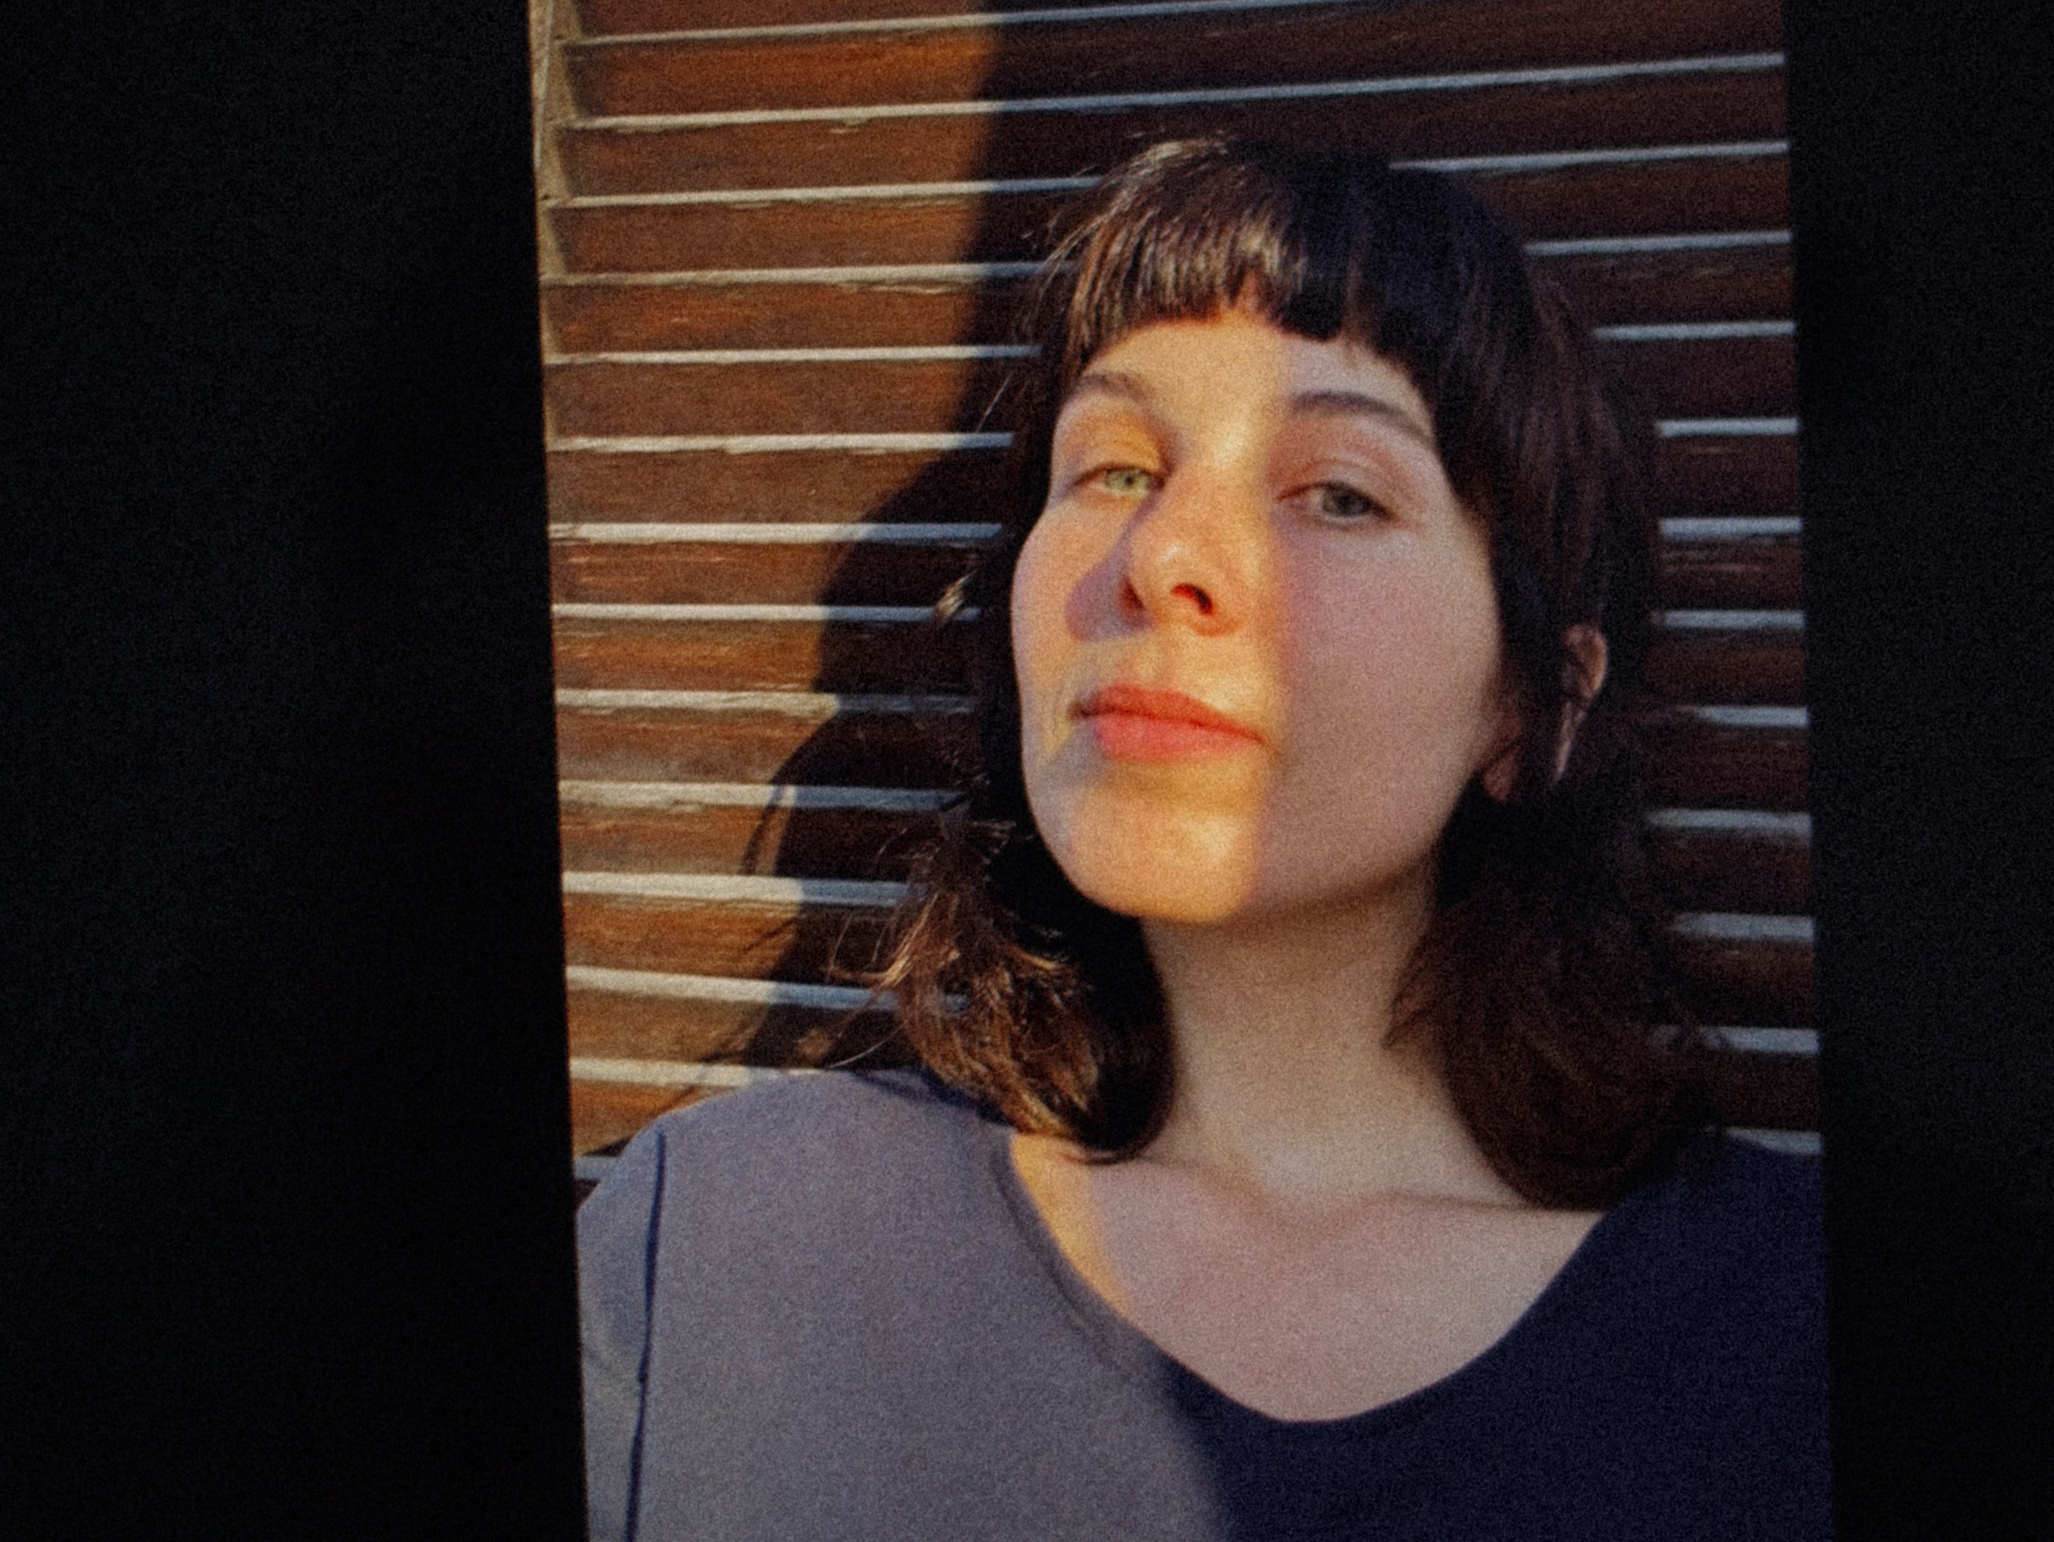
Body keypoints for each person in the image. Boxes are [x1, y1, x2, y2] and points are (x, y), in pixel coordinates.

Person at [575, 138, 1829, 1540]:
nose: (1164, 555)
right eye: (1112, 467)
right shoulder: (712, 1252)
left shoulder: (1798, 1330)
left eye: (1341, 493)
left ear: (1539, 704)